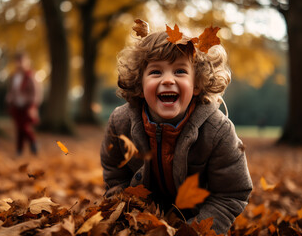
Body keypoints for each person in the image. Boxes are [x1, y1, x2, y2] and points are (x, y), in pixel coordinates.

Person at [100, 23, 253, 235]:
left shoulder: (218, 131)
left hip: (198, 218)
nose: (168, 80)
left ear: (197, 84)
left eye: (180, 71)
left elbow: (232, 193)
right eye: (155, 72)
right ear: (140, 85)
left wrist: (193, 230)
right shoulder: (121, 122)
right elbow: (115, 176)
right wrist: (131, 218)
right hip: (142, 216)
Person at [6, 52, 42, 156]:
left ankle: (33, 141)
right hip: (16, 105)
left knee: (23, 127)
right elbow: (12, 91)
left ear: (26, 62)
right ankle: (19, 150)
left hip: (27, 106)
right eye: (17, 61)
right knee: (19, 128)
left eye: (21, 61)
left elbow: (36, 92)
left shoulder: (30, 76)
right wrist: (9, 99)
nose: (19, 64)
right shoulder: (14, 76)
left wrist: (33, 106)